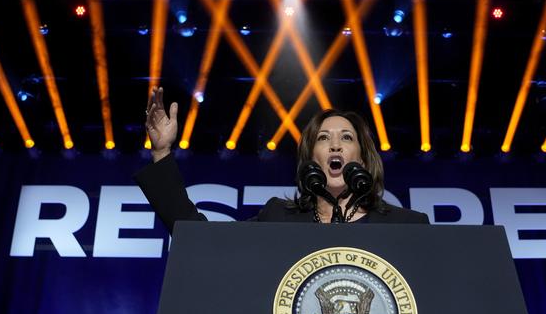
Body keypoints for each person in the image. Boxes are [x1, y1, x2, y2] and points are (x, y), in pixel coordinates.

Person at [137, 87, 429, 231]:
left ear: (364, 160)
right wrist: (161, 153)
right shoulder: (279, 218)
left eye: (347, 138)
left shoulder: (408, 226)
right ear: (310, 159)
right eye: (324, 138)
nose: (336, 146)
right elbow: (201, 242)